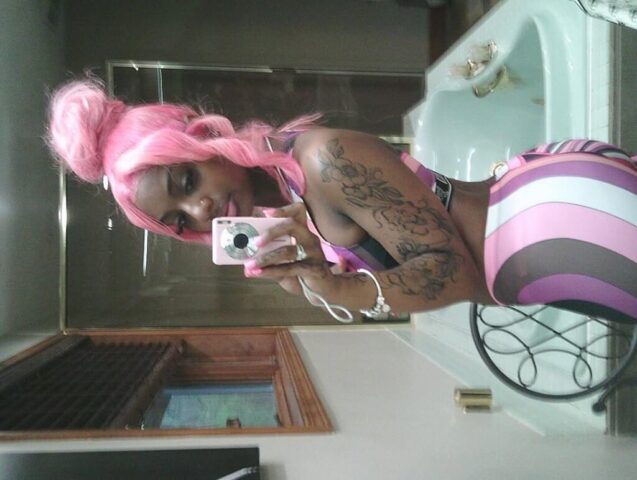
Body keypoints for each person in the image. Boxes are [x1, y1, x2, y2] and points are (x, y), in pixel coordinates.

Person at [46, 78, 637, 324]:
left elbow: (454, 273)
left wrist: (332, 286)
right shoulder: (288, 207)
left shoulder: (321, 160)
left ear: (202, 139)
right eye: (179, 220)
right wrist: (313, 275)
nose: (200, 211)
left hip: (553, 227)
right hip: (541, 250)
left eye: (185, 182)